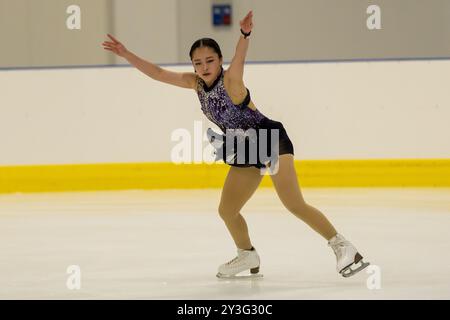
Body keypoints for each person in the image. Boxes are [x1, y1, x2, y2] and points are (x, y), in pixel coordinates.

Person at [102, 10, 369, 278]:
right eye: (198, 63)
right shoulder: (195, 84)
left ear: (219, 61)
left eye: (210, 60)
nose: (204, 67)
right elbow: (158, 73)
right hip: (245, 149)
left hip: (270, 139)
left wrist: (244, 34)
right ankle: (247, 255)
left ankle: (343, 246)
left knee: (293, 203)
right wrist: (127, 54)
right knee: (227, 210)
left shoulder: (231, 80)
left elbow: (240, 58)